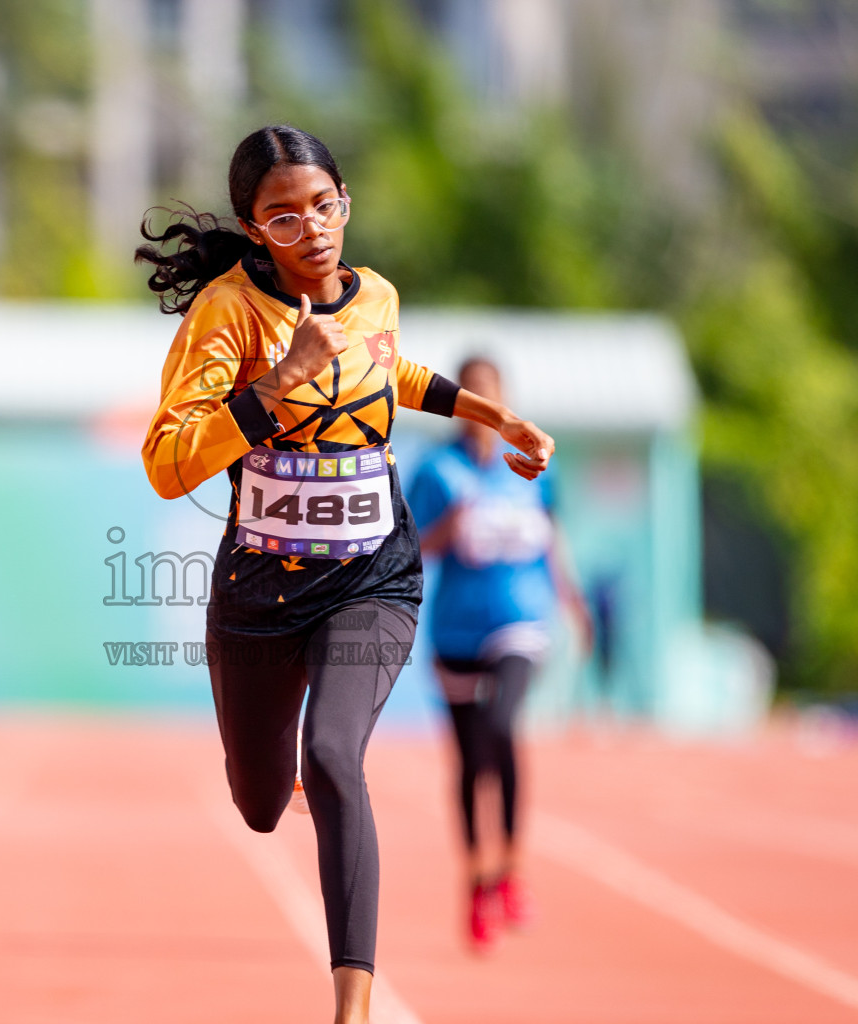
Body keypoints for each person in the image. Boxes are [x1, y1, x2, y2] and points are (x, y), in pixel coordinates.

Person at [137, 125, 554, 1023]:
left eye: (324, 207)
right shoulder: (227, 314)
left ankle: (350, 1007)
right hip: (258, 594)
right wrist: (274, 385)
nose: (312, 230)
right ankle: (272, 769)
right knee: (256, 804)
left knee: (333, 757)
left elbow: (390, 369)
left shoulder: (378, 296)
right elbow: (167, 464)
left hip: (372, 576)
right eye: (283, 218)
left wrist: (497, 416)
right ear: (253, 230)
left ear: (346, 204)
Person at [407, 356, 590, 950]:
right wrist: (448, 528)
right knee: (467, 761)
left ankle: (512, 869)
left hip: (521, 618)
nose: (485, 405)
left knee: (503, 725)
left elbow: (552, 535)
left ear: (506, 399)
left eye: (494, 392)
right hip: (456, 629)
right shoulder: (437, 471)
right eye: (474, 393)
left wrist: (574, 601)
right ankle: (476, 882)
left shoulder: (532, 463)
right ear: (462, 403)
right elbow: (408, 548)